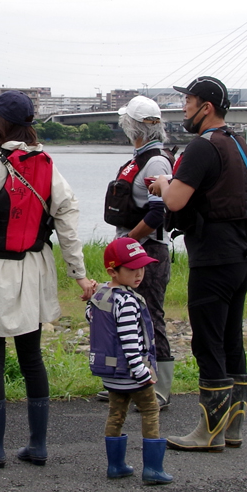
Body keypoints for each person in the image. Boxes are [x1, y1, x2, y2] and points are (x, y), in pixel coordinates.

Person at [0, 90, 94, 468]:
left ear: (0, 121)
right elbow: (68, 221)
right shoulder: (46, 164)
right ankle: (37, 445)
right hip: (33, 269)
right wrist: (79, 273)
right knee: (31, 357)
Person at [147, 76, 247, 453]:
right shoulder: (240, 145)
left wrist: (163, 182)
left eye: (189, 102)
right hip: (242, 255)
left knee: (208, 343)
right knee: (231, 341)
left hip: (212, 257)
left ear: (206, 107)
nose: (184, 109)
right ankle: (233, 428)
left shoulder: (201, 147)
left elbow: (176, 201)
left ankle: (207, 433)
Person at [100, 94, 176, 409]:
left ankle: (160, 389)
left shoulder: (155, 161)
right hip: (134, 250)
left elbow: (158, 214)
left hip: (149, 252)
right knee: (126, 317)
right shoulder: (138, 157)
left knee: (150, 315)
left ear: (132, 126)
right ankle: (127, 383)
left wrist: (127, 244)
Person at [87, 236, 172, 484]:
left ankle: (116, 465)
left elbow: (92, 318)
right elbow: (129, 339)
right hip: (132, 372)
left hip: (111, 374)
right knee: (150, 410)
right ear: (113, 271)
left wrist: (89, 298)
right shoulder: (126, 301)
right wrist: (140, 370)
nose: (139, 274)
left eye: (142, 268)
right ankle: (153, 469)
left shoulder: (102, 295)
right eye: (132, 269)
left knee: (116, 414)